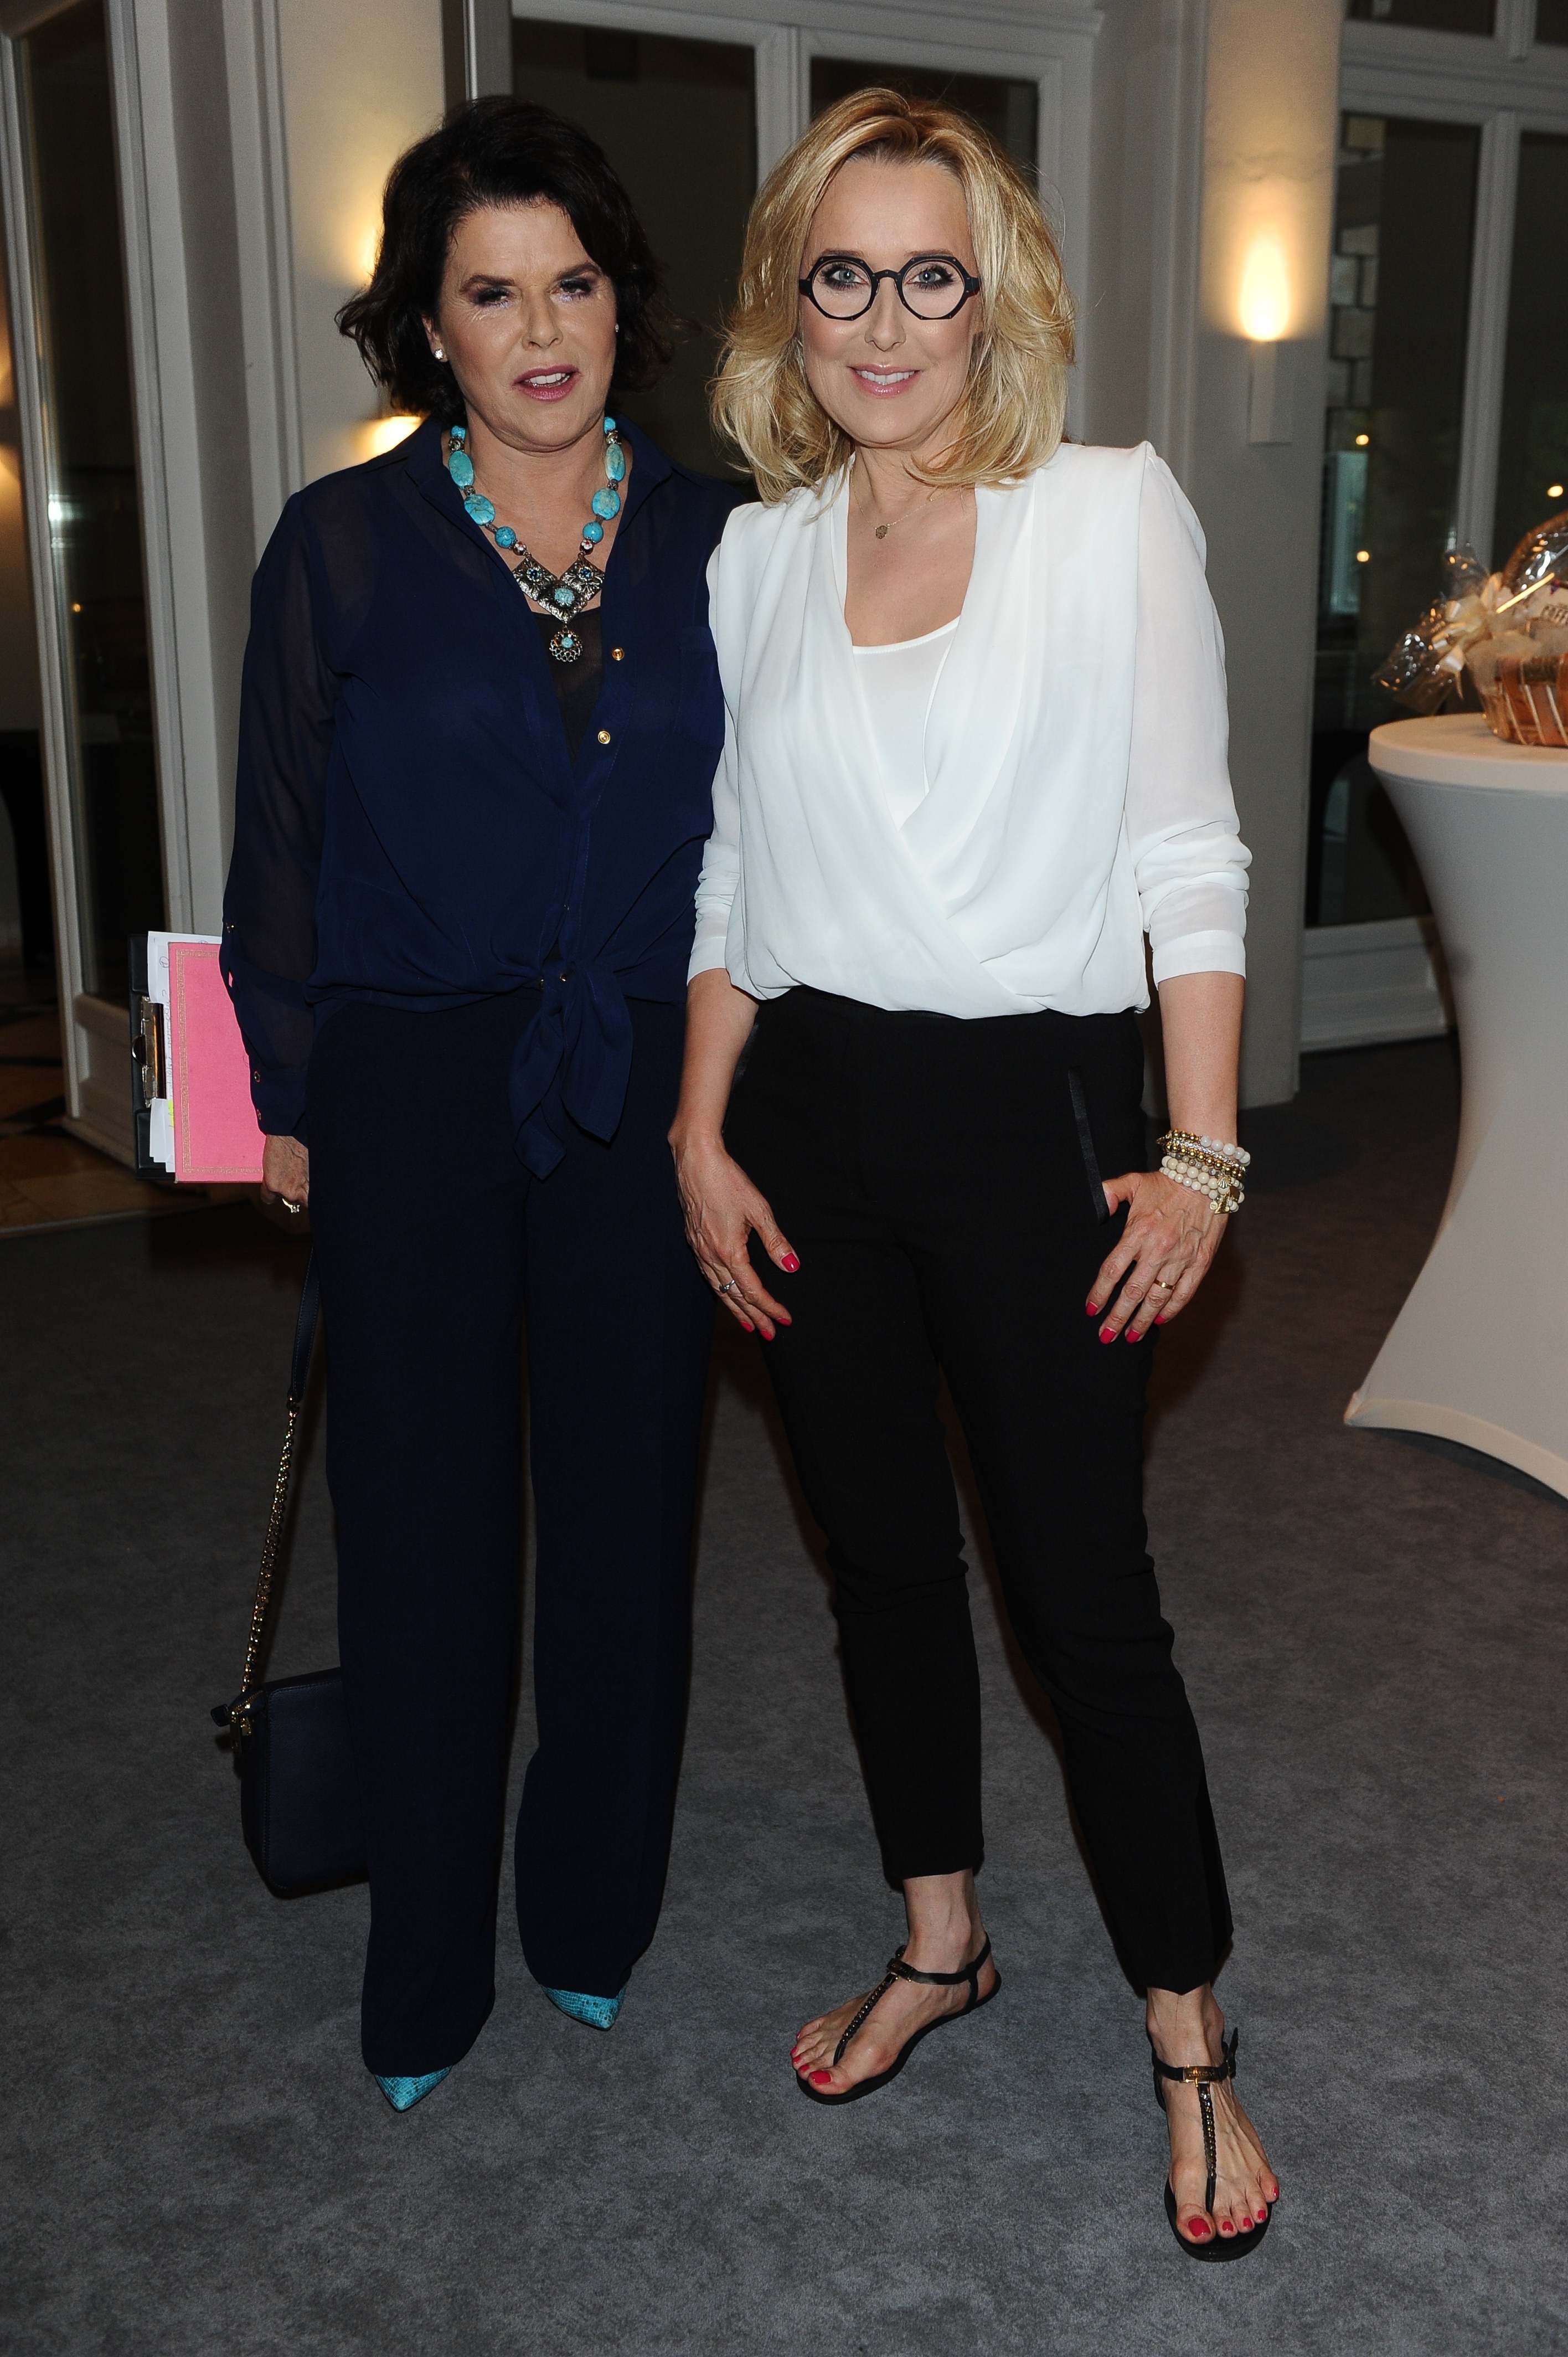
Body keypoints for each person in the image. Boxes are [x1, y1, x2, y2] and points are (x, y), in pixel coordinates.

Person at [669, 89, 1279, 2256]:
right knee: (882, 1566)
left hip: (1041, 1124)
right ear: (791, 301)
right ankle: (943, 1935)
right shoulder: (753, 557)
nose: (885, 320)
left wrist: (1201, 1152)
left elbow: (1186, 849)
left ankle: (1190, 2028)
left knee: (1085, 1602)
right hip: (807, 1118)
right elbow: (735, 869)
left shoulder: (1105, 514)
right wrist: (698, 1126)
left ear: (994, 299)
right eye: (844, 273)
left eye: (932, 274)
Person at [221, 97, 740, 2112]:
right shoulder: (342, 541)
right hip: (413, 1084)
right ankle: (425, 1960)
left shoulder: (720, 540)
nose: (541, 332)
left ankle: (591, 1913)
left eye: (574, 285)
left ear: (625, 303)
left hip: (647, 1080)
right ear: (429, 326)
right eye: (493, 293)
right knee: (423, 1529)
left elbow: (777, 835)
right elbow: (277, 836)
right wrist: (283, 1091)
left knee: (629, 1514)